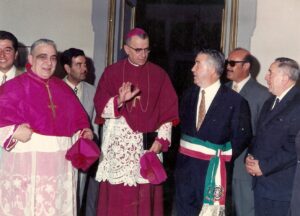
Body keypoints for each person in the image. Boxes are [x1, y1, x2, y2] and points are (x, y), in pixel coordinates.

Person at [0, 39, 93, 215]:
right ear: (30, 58)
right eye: (42, 57)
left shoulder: (63, 88)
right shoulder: (14, 87)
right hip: (27, 165)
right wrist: (12, 131)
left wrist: (84, 132)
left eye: (53, 58)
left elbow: (79, 122)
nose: (49, 63)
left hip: (60, 167)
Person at [94, 28, 179, 216]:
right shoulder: (112, 72)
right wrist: (119, 101)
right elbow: (100, 107)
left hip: (146, 148)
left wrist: (161, 141)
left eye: (147, 50)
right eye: (138, 50)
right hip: (118, 150)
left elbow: (168, 112)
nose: (143, 55)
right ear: (126, 49)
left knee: (145, 201)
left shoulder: (159, 75)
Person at [175, 49, 252, 216]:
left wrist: (221, 156)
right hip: (185, 173)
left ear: (211, 69)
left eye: (197, 64)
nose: (192, 69)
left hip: (213, 172)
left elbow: (242, 136)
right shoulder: (187, 95)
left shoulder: (235, 101)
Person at [246, 57, 300, 216]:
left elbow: (293, 147)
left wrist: (264, 166)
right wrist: (249, 156)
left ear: (285, 78)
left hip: (281, 188)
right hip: (262, 184)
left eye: (271, 73)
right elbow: (259, 136)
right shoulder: (270, 102)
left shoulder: (297, 104)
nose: (266, 77)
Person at [226, 48, 270, 216]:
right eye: (227, 63)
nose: (227, 67)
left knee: (245, 210)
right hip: (219, 166)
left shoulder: (263, 95)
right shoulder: (222, 90)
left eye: (232, 63)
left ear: (246, 66)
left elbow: (263, 134)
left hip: (243, 168)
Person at [60, 47, 99, 216]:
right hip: (59, 151)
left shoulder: (93, 92)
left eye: (85, 64)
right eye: (79, 64)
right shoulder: (54, 88)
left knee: (79, 195)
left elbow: (95, 126)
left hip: (82, 154)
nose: (85, 68)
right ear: (67, 68)